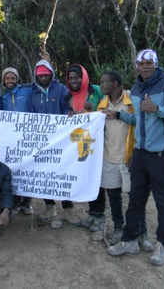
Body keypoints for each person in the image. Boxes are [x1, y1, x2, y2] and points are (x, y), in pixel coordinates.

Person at [105, 49, 164, 266]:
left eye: (148, 63)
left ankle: (163, 245)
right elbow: (137, 119)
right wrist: (118, 115)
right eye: (141, 63)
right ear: (136, 66)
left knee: (163, 203)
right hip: (141, 154)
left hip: (163, 155)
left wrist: (158, 108)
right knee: (135, 200)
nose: (145, 67)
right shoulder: (136, 88)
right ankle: (130, 240)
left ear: (156, 64)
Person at [95, 71, 152, 251]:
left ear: (115, 84)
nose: (101, 85)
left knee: (135, 197)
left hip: (128, 157)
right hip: (108, 157)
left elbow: (140, 121)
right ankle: (119, 227)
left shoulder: (130, 100)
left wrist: (118, 114)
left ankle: (142, 232)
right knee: (113, 196)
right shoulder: (101, 104)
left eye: (104, 82)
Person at [28, 59, 81, 227]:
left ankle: (68, 208)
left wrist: (68, 115)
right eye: (40, 74)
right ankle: (49, 206)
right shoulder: (32, 93)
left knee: (63, 172)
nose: (43, 77)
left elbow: (67, 108)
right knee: (44, 173)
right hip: (41, 140)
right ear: (36, 75)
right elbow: (30, 113)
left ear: (51, 73)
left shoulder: (62, 90)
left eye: (46, 74)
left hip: (61, 140)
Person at [65, 64, 105, 231]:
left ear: (84, 77)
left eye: (77, 77)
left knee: (95, 178)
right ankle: (91, 213)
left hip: (96, 142)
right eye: (71, 78)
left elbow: (106, 109)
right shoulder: (68, 96)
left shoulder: (96, 91)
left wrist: (93, 111)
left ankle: (98, 214)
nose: (74, 81)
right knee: (79, 175)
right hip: (76, 143)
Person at [1, 67, 34, 215]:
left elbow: (45, 84)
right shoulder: (3, 98)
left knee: (27, 169)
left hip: (27, 137)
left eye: (12, 78)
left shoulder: (26, 91)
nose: (10, 81)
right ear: (3, 80)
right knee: (12, 170)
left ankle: (27, 203)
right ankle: (14, 202)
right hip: (11, 139)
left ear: (17, 79)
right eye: (7, 78)